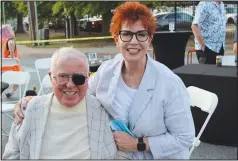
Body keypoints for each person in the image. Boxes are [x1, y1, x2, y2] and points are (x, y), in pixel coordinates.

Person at [13, 2, 195, 159]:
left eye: (141, 34)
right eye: (126, 34)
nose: (133, 41)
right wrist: (33, 101)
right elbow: (77, 90)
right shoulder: (107, 71)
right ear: (116, 39)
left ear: (150, 39)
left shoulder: (169, 83)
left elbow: (184, 138)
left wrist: (138, 144)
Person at [3, 47, 131, 159]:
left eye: (78, 78)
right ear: (50, 76)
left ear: (88, 78)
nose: (70, 85)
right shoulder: (29, 110)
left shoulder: (104, 111)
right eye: (62, 76)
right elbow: (12, 155)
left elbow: (124, 154)